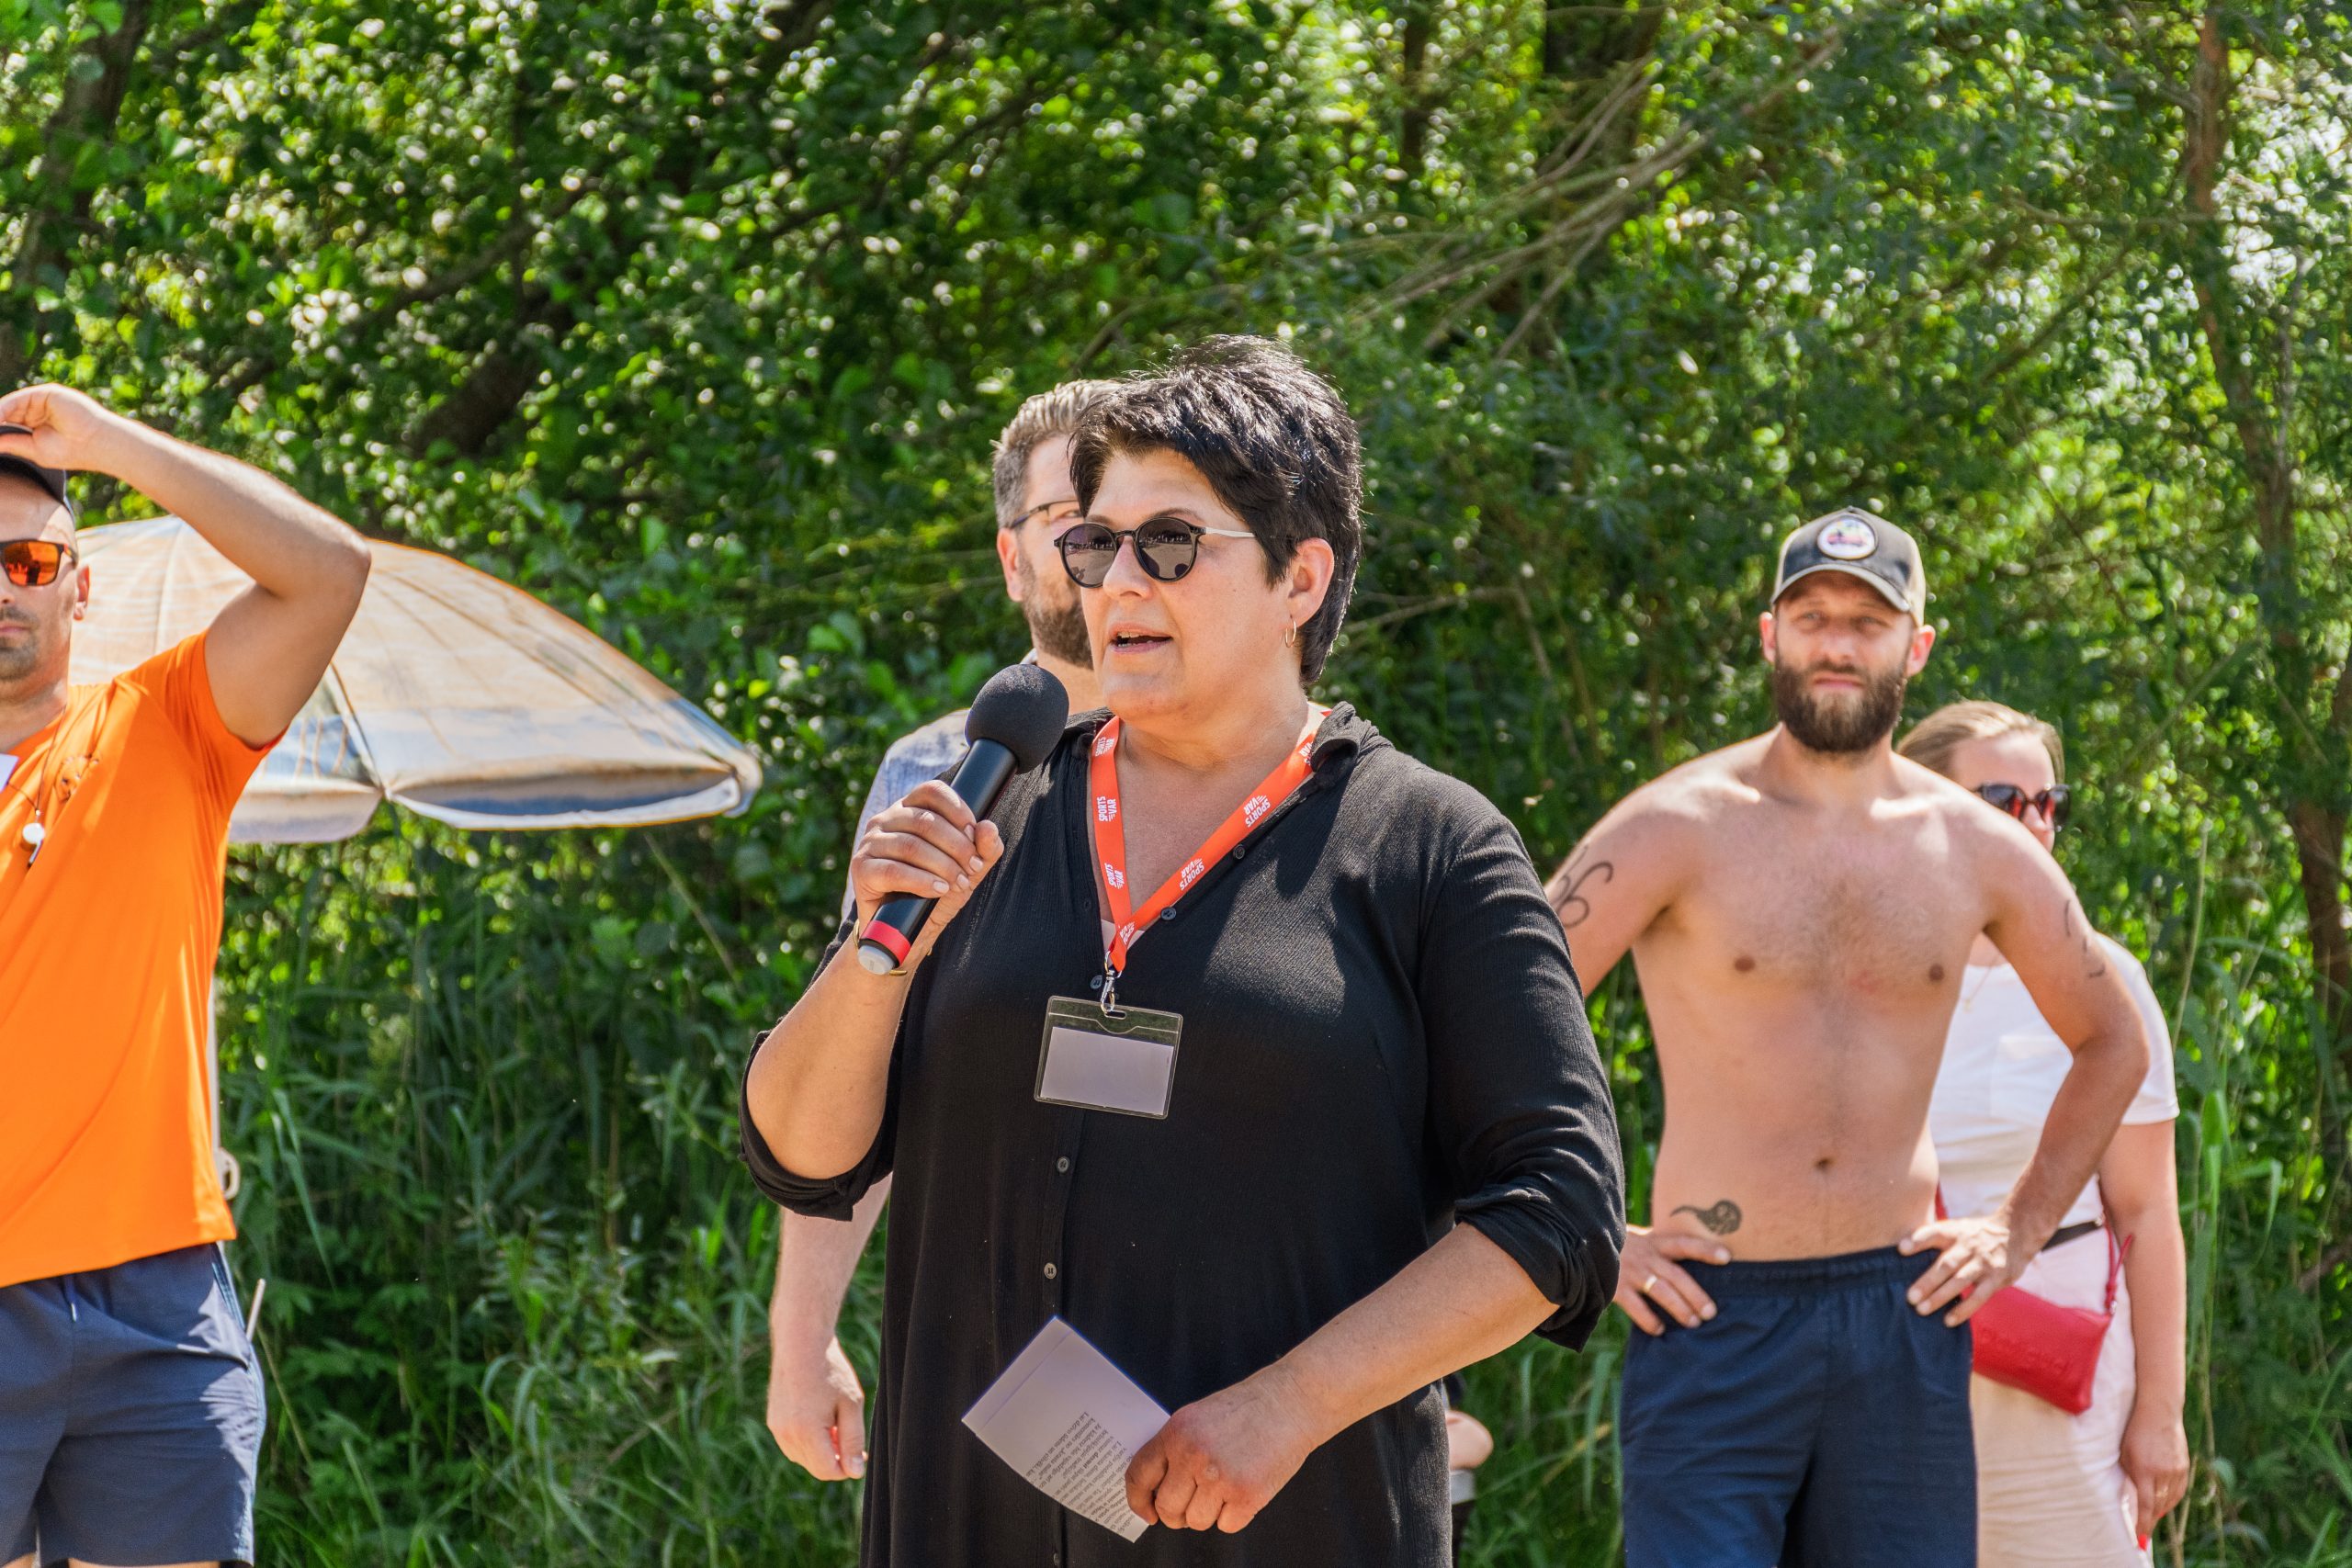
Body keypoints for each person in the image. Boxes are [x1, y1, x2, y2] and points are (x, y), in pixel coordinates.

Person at [741, 337, 1623, 1565]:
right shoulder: (990, 809)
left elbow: (1559, 1209)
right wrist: (873, 958)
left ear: (1300, 578)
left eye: (1169, 545)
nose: (1117, 582)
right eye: (1094, 545)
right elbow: (803, 1155)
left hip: (1278, 1527)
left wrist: (1289, 1405)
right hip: (968, 1519)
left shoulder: (1428, 846)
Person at [1544, 507, 2149, 1568]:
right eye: (1812, 616)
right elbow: (1501, 1019)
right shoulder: (1671, 827)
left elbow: (2115, 1041)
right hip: (1712, 1313)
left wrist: (2015, 1229)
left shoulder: (1976, 849)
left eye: (1866, 623)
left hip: (1900, 1316)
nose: (1836, 643)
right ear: (1769, 636)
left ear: (1914, 647)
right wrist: (1593, 1237)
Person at [0, 386, 372, 1568]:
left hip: (159, 1294)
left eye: (26, 561)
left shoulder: (167, 724)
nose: (1, 588)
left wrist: (106, 443)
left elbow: (328, 573)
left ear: (78, 584)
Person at [765, 378, 1117, 1484]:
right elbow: (861, 1073)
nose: (1104, 551)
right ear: (1012, 558)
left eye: (1134, 523)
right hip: (993, 1342)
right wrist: (802, 1335)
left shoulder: (1264, 770)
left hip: (1212, 1330)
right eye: (1072, 521)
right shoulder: (931, 776)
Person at [1900, 701, 2190, 1562]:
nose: (2034, 822)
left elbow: (2147, 1212)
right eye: (2003, 799)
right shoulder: (1862, 976)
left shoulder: (2106, 982)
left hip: (2056, 1372)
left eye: (2049, 802)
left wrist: (2161, 1411)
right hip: (1892, 1368)